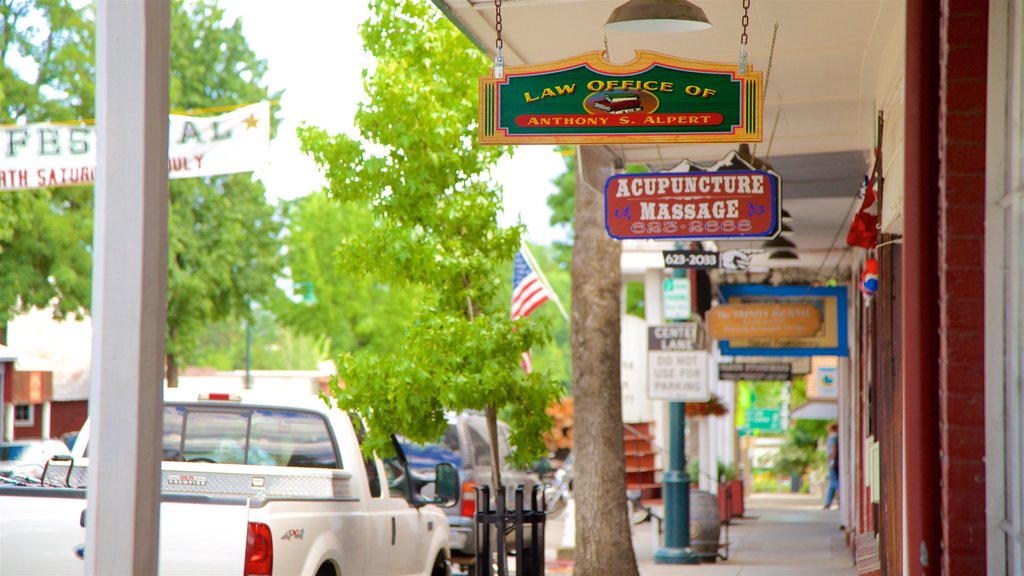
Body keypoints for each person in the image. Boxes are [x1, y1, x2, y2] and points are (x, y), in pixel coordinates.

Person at [824, 422, 840, 509]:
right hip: (833, 460)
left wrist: (832, 461)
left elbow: (833, 448)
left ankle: (842, 496)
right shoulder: (836, 437)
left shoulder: (833, 437)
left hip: (832, 461)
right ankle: (828, 503)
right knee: (832, 482)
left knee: (834, 482)